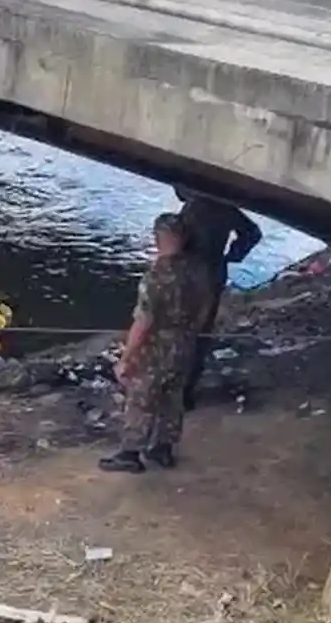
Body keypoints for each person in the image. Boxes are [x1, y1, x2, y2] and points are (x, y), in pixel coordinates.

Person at [99, 213, 213, 474]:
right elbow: (206, 306)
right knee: (172, 396)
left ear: (160, 238)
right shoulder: (199, 270)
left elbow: (144, 321)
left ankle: (130, 453)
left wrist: (126, 358)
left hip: (155, 346)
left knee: (142, 398)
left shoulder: (156, 276)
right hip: (184, 343)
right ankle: (162, 449)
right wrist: (190, 331)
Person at [175, 186, 262, 411]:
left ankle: (176, 388)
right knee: (200, 333)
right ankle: (186, 391)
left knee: (179, 329)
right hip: (213, 273)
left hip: (189, 275)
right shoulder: (226, 207)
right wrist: (233, 255)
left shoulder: (192, 209)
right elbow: (252, 233)